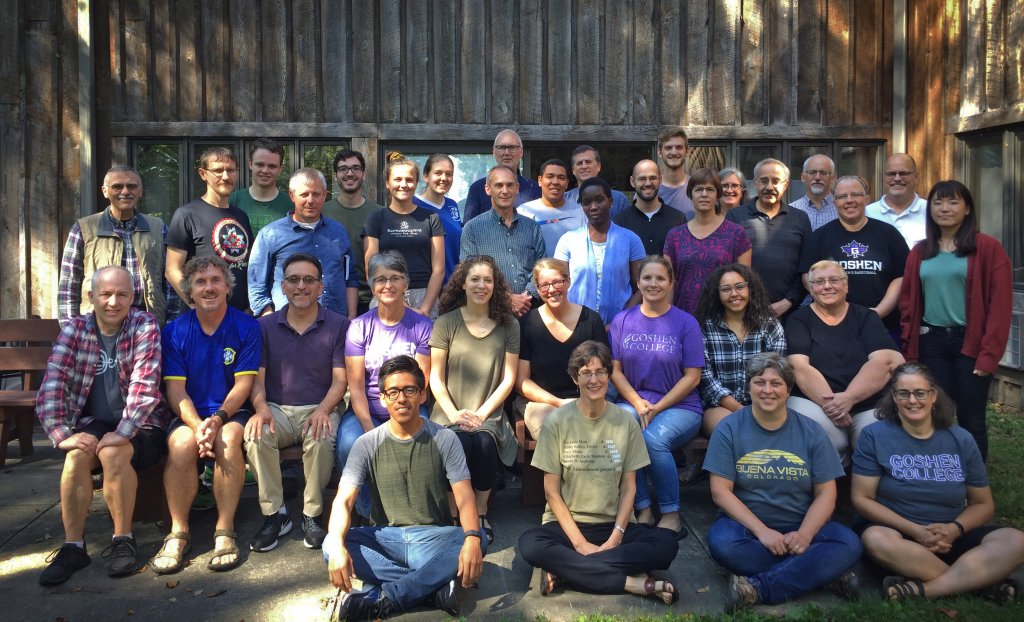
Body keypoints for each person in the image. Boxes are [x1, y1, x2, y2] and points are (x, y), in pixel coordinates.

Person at [517, 341, 680, 603]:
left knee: (666, 546)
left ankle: (566, 571)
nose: (594, 379)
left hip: (613, 524)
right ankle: (633, 582)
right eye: (586, 373)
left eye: (601, 372)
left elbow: (629, 488)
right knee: (529, 544)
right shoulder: (557, 422)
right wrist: (580, 545)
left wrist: (616, 537)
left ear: (609, 375)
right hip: (567, 527)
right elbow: (551, 492)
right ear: (575, 377)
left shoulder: (626, 422)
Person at [324, 355, 485, 620]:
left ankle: (386, 598)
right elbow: (343, 501)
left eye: (410, 390)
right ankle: (432, 588)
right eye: (393, 392)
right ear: (383, 398)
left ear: (422, 395)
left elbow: (465, 497)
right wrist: (339, 546)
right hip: (385, 538)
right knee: (332, 543)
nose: (402, 398)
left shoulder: (444, 438)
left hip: (433, 538)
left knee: (477, 538)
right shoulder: (366, 444)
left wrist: (471, 539)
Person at [36, 266, 169, 585]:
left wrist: (122, 432)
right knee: (75, 458)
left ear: (132, 297)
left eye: (122, 294)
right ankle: (73, 546)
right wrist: (61, 434)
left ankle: (123, 540)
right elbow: (53, 382)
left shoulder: (144, 325)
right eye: (106, 294)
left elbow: (145, 385)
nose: (113, 302)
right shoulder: (75, 330)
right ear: (91, 296)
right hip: (92, 421)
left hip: (142, 423)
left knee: (113, 453)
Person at [852, 363, 1024, 603]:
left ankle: (927, 590)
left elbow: (983, 504)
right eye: (904, 393)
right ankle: (980, 585)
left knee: (1016, 540)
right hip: (901, 535)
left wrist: (954, 529)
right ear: (894, 397)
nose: (912, 400)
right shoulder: (875, 435)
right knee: (875, 539)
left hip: (952, 534)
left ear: (933, 395)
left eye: (919, 393)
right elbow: (862, 499)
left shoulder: (961, 438)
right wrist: (916, 531)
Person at [704, 353, 861, 611]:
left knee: (848, 542)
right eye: (759, 382)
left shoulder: (812, 431)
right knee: (722, 543)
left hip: (800, 523)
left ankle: (757, 588)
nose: (767, 390)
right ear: (749, 386)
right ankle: (823, 575)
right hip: (746, 528)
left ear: (788, 390)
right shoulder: (729, 428)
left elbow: (826, 494)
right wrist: (762, 532)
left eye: (776, 383)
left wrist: (805, 534)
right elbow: (721, 492)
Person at [154, 256, 261, 574]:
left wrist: (217, 420)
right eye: (200, 282)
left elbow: (244, 384)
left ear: (228, 287)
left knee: (229, 439)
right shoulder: (174, 331)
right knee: (182, 445)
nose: (209, 287)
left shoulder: (246, 326)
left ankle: (224, 530)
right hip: (190, 414)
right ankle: (178, 532)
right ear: (189, 291)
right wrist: (199, 425)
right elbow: (176, 391)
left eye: (216, 280)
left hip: (231, 412)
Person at [898, 180, 1012, 461]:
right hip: (931, 343)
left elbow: (1000, 307)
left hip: (969, 344)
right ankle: (942, 476)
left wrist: (989, 356)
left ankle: (974, 486)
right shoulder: (920, 251)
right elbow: (909, 304)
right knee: (936, 415)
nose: (944, 208)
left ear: (967, 208)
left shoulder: (987, 248)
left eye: (953, 202)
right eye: (937, 202)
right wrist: (910, 349)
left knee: (972, 420)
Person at [244, 254, 349, 553]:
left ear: (320, 287)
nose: (301, 286)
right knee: (256, 435)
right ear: (283, 286)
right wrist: (261, 407)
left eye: (308, 280)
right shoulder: (264, 327)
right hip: (276, 407)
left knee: (321, 435)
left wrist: (323, 409)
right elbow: (256, 377)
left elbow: (340, 380)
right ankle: (274, 515)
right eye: (293, 280)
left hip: (320, 404)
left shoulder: (338, 325)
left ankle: (312, 515)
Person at [609, 255, 703, 536]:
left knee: (653, 438)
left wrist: (658, 406)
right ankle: (643, 507)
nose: (653, 284)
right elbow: (614, 370)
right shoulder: (622, 320)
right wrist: (637, 402)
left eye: (660, 278)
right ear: (637, 282)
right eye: (647, 278)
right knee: (624, 430)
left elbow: (693, 376)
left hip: (681, 406)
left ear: (671, 283)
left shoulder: (686, 323)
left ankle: (671, 511)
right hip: (633, 401)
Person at [429, 256, 520, 545]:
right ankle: (455, 515)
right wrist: (454, 414)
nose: (482, 285)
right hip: (448, 412)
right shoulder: (445, 323)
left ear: (496, 286)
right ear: (463, 284)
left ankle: (480, 513)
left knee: (480, 444)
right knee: (452, 443)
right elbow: (435, 378)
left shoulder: (509, 325)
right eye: (475, 279)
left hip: (488, 413)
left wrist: (480, 414)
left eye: (488, 280)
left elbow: (508, 379)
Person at [336, 251, 432, 517]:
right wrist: (370, 429)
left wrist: (398, 422)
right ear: (371, 285)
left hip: (409, 407)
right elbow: (355, 387)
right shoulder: (358, 327)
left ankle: (411, 513)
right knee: (350, 445)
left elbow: (421, 385)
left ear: (406, 284)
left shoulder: (423, 326)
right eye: (380, 279)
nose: (387, 285)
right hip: (366, 408)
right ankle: (371, 514)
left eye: (395, 278)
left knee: (420, 445)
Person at [786, 260, 904, 463]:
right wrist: (833, 406)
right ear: (811, 289)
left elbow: (885, 361)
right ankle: (828, 489)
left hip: (868, 403)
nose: (827, 286)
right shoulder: (799, 319)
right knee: (826, 437)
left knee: (871, 438)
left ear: (846, 285)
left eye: (834, 280)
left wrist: (849, 397)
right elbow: (799, 367)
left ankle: (866, 490)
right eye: (819, 282)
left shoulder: (866, 316)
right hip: (816, 402)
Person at [58, 166, 168, 326]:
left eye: (132, 186)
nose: (125, 191)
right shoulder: (84, 228)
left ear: (140, 191)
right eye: (117, 186)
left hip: (147, 323)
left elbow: (169, 281)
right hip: (97, 323)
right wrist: (70, 328)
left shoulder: (158, 228)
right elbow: (69, 283)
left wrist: (170, 323)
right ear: (105, 191)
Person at [799, 175, 908, 335]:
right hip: (832, 325)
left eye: (855, 194)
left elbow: (901, 277)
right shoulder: (820, 237)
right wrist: (833, 310)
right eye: (842, 196)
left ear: (867, 199)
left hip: (883, 325)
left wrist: (877, 313)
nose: (849, 200)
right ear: (835, 202)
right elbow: (807, 276)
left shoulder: (888, 233)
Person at [515, 258, 608, 440]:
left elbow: (604, 371)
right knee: (558, 430)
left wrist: (584, 402)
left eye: (557, 282)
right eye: (544, 285)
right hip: (541, 403)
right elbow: (521, 381)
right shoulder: (527, 324)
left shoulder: (591, 320)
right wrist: (558, 403)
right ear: (537, 288)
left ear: (568, 281)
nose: (551, 290)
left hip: (589, 398)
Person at [247, 168, 359, 319]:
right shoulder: (270, 235)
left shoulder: (338, 232)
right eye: (304, 194)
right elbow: (256, 285)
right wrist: (270, 323)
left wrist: (351, 319)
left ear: (325, 195)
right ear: (292, 195)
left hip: (335, 326)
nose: (310, 200)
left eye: (316, 194)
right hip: (286, 329)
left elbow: (350, 278)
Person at [696, 263, 787, 435]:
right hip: (719, 405)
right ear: (717, 293)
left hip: (765, 401)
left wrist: (759, 407)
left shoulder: (769, 325)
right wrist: (741, 410)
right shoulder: (705, 327)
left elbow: (778, 371)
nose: (734, 294)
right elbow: (705, 377)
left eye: (739, 287)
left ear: (750, 288)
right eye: (726, 289)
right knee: (732, 430)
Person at [166, 147, 253, 314]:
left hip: (239, 316)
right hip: (202, 318)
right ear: (203, 174)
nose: (225, 176)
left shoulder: (241, 216)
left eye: (230, 170)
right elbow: (172, 270)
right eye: (218, 171)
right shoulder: (186, 214)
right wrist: (195, 305)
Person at [726, 158, 812, 321]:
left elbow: (806, 266)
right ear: (755, 183)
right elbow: (728, 264)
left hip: (790, 313)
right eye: (764, 181)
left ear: (785, 185)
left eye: (776, 181)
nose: (769, 187)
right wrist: (747, 302)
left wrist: (788, 301)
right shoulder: (735, 216)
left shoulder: (800, 218)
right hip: (743, 310)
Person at [363, 154, 445, 317]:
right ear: (387, 183)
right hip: (386, 294)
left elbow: (439, 270)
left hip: (425, 296)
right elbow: (370, 269)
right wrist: (401, 304)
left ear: (416, 183)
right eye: (397, 179)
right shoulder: (375, 219)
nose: (404, 185)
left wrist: (425, 310)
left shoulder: (431, 218)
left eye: (409, 180)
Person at [554, 177, 645, 325]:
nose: (593, 207)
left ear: (610, 201)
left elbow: (641, 288)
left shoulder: (631, 240)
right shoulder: (568, 240)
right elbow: (559, 286)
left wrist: (620, 321)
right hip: (576, 325)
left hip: (620, 326)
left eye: (599, 200)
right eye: (587, 202)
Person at [460, 165, 546, 317]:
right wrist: (506, 298)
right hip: (489, 314)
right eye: (498, 185)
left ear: (517, 188)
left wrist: (525, 297)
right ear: (488, 189)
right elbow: (470, 273)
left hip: (530, 311)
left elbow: (542, 269)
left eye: (510, 185)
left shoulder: (532, 227)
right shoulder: (472, 228)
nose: (505, 191)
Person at [663, 168, 752, 314]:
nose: (704, 194)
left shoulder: (736, 233)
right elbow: (670, 283)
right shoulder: (675, 236)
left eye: (710, 189)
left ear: (717, 194)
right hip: (683, 317)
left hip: (723, 319)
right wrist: (667, 318)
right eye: (698, 189)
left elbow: (744, 283)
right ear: (690, 194)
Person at [322, 148, 383, 316]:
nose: (350, 173)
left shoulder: (379, 214)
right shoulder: (322, 212)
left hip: (371, 299)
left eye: (355, 168)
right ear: (335, 175)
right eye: (343, 169)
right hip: (331, 299)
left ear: (363, 174)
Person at [462, 129, 541, 222]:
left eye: (512, 147)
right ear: (494, 152)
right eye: (502, 147)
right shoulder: (477, 189)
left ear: (521, 152)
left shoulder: (535, 189)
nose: (507, 153)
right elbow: (469, 229)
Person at [613, 159, 686, 256]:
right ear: (632, 181)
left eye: (653, 178)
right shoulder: (620, 222)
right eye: (642, 178)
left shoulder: (677, 219)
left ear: (660, 180)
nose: (648, 183)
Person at [413, 153, 463, 283]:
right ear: (425, 176)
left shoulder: (452, 205)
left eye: (449, 174)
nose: (444, 178)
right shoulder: (412, 205)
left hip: (452, 286)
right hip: (424, 288)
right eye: (438, 173)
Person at [229, 138, 292, 236]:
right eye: (260, 165)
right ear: (250, 164)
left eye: (272, 166)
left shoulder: (291, 205)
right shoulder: (232, 201)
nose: (265, 170)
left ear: (280, 168)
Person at [517, 158, 583, 254]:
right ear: (540, 180)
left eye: (561, 178)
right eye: (550, 176)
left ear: (567, 183)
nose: (555, 182)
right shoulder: (524, 212)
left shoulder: (580, 212)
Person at [866, 153, 928, 248]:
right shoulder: (867, 213)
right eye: (891, 174)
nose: (897, 178)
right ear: (883, 177)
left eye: (904, 173)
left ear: (916, 177)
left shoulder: (931, 212)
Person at [563, 145, 631, 216]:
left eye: (588, 162)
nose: (584, 166)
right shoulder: (564, 199)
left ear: (598, 166)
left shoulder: (619, 199)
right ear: (573, 170)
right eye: (579, 163)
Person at [789, 154, 838, 231]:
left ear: (833, 178)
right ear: (803, 177)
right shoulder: (791, 211)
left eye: (823, 172)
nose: (817, 177)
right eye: (812, 172)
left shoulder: (843, 209)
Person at [656, 128, 694, 218]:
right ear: (660, 152)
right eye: (668, 148)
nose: (673, 152)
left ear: (687, 151)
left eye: (679, 147)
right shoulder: (649, 188)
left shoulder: (697, 187)